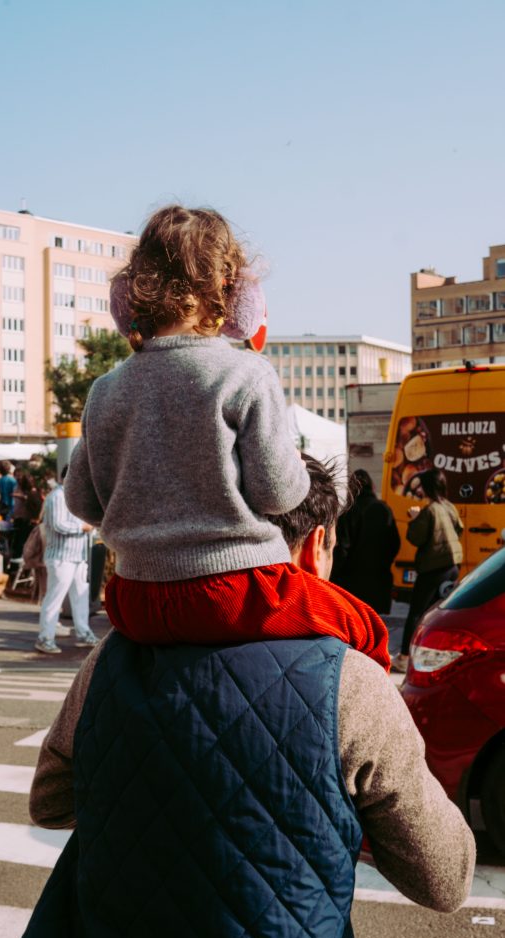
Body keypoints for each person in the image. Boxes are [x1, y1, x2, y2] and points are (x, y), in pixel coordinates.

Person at [2, 454, 475, 938]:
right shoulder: (350, 682)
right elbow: (446, 878)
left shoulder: (113, 658)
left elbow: (50, 804)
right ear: (316, 544)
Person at [65, 205, 389, 670]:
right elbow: (278, 494)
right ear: (230, 289)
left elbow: (83, 502)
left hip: (134, 600)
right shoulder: (245, 373)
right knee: (364, 627)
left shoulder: (106, 390)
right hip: (234, 592)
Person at [391, 467, 464, 673]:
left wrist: (414, 518)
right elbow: (460, 529)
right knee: (436, 613)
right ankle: (433, 654)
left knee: (416, 612)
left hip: (434, 567)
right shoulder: (449, 506)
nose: (419, 489)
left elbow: (415, 538)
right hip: (452, 565)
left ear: (428, 487)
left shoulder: (430, 510)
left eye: (421, 485)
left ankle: (404, 658)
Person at [35, 466, 97, 655]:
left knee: (81, 595)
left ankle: (83, 631)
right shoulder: (57, 497)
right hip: (61, 556)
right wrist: (83, 527)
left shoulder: (72, 497)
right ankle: (45, 636)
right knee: (55, 597)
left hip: (77, 555)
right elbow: (58, 524)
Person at [331, 468, 400, 613]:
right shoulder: (384, 509)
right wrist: (384, 563)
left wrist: (335, 575)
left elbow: (342, 548)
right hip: (380, 580)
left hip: (353, 583)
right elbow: (395, 543)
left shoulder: (349, 512)